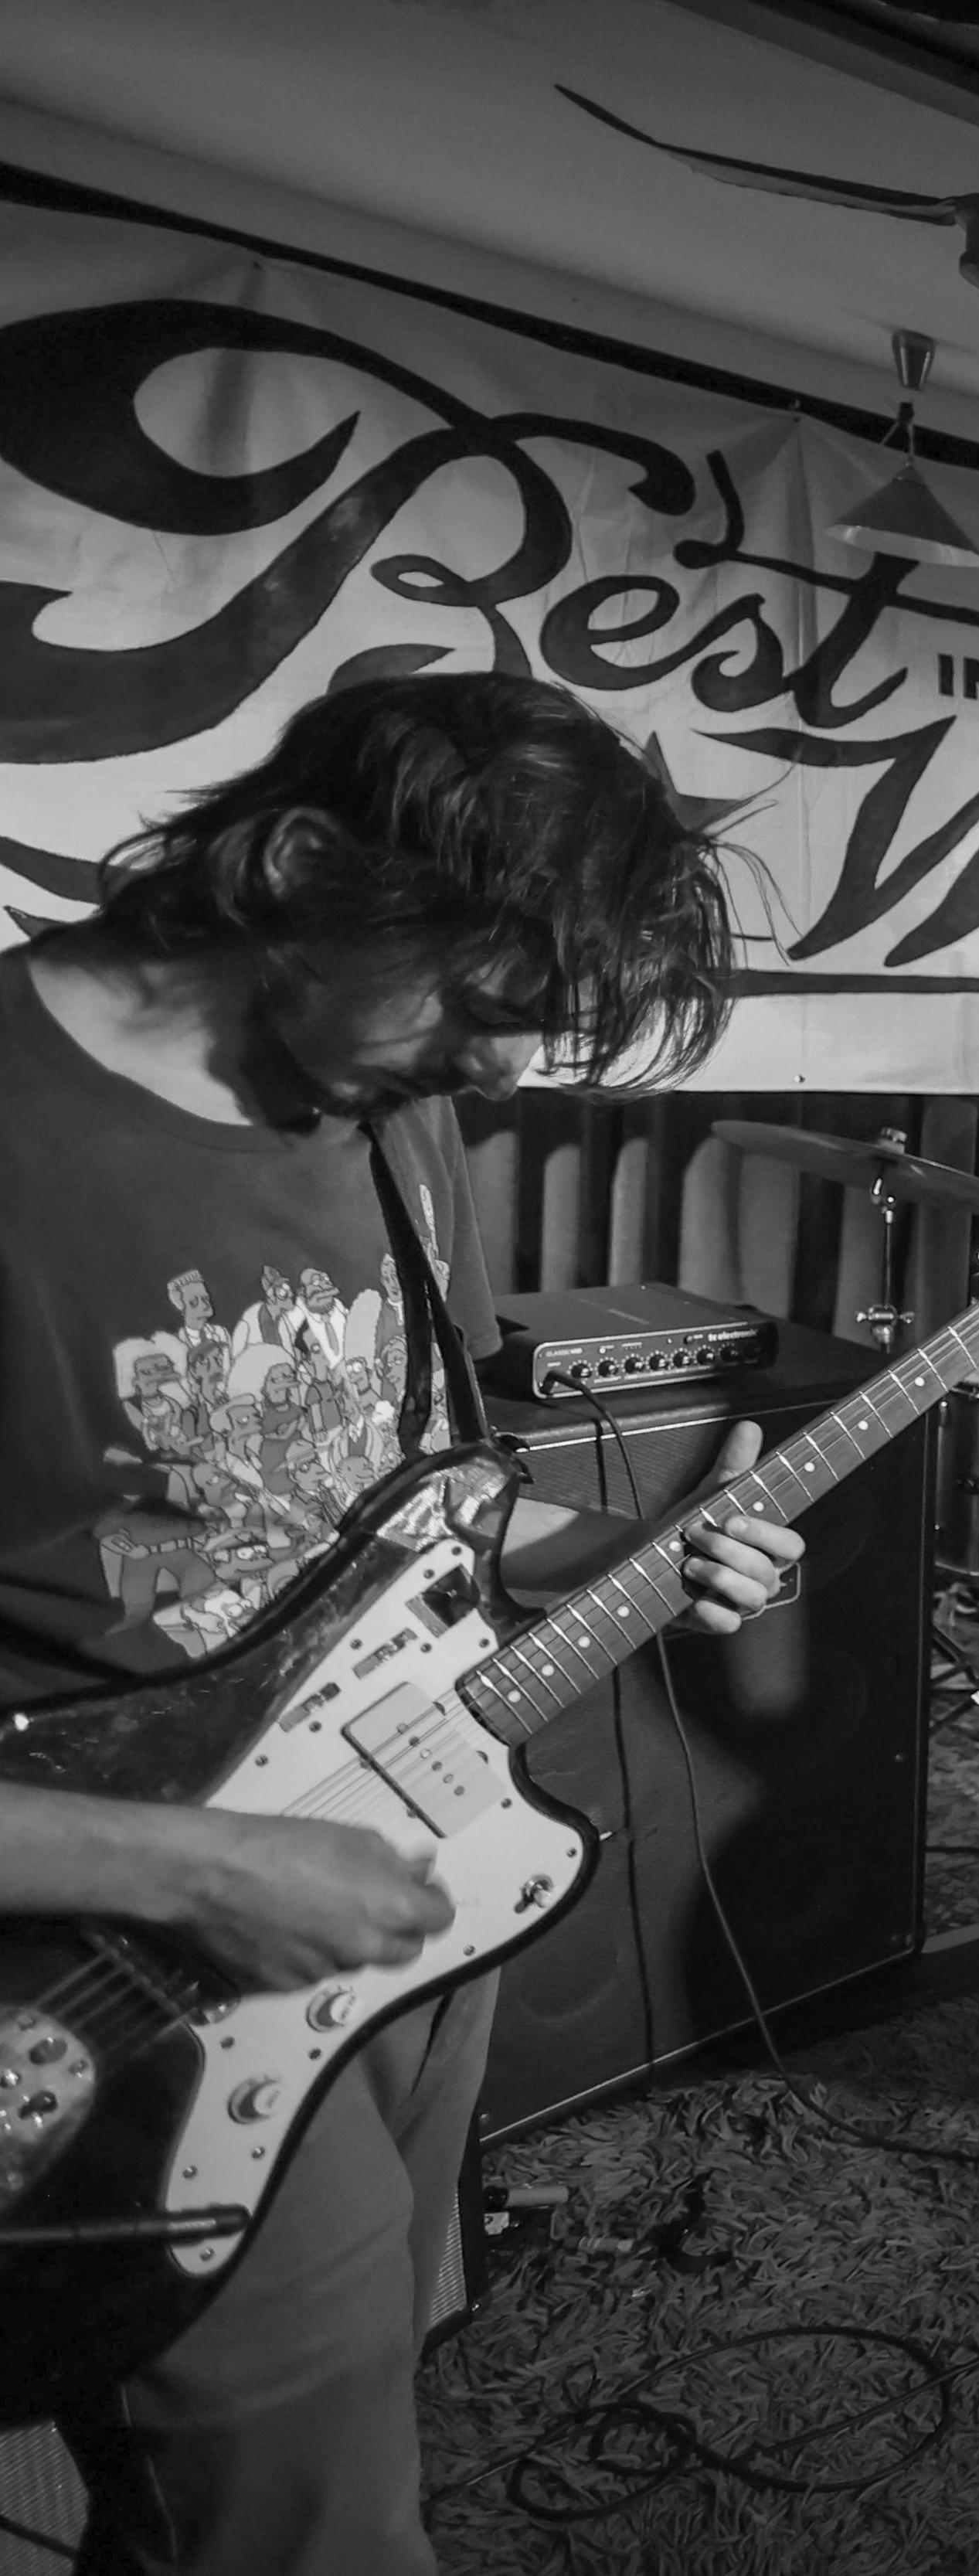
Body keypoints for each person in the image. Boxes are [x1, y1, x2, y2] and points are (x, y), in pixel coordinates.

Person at [0, 673, 804, 2575]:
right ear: (298, 867)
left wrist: (629, 1543)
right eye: (482, 1001)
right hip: (113, 1969)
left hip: (396, 1902)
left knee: (296, 2457)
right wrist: (196, 1869)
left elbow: (404, 1511)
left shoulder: (393, 1106)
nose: (509, 1074)